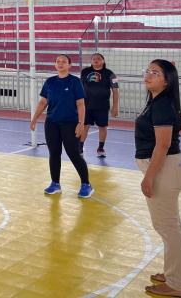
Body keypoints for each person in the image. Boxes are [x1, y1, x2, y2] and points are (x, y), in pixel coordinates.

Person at [136, 60, 181, 297]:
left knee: (166, 226)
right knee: (173, 225)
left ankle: (176, 284)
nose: (148, 75)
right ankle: (179, 274)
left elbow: (163, 144)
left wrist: (149, 178)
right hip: (168, 169)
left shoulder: (163, 105)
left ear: (166, 81)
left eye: (155, 73)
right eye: (148, 71)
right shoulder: (157, 101)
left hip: (164, 170)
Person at [31, 54, 93, 198]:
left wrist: (81, 123)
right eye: (58, 61)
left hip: (70, 123)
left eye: (64, 61)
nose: (60, 64)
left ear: (69, 65)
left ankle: (86, 184)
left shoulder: (75, 82)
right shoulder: (50, 82)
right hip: (52, 123)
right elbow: (43, 102)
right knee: (54, 153)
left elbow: (80, 104)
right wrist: (34, 119)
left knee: (73, 153)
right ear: (55, 64)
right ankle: (55, 183)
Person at [80, 53, 120, 157]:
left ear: (103, 61)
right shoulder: (84, 71)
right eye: (93, 58)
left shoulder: (111, 74)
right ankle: (80, 148)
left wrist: (115, 107)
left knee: (102, 126)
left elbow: (115, 90)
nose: (96, 60)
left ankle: (101, 148)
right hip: (86, 105)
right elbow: (80, 88)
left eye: (98, 58)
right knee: (84, 126)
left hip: (102, 106)